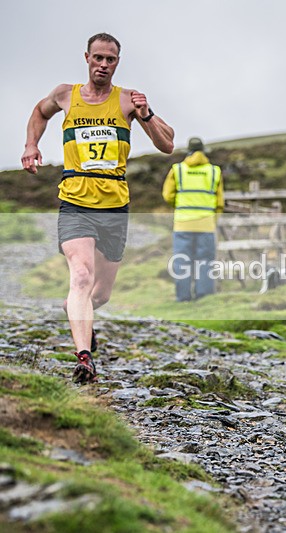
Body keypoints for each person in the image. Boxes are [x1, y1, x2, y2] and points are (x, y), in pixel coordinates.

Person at [21, 33, 174, 383]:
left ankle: (76, 311)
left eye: (111, 60)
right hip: (74, 200)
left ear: (117, 62)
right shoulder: (65, 95)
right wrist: (31, 144)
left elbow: (167, 144)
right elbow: (39, 111)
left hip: (114, 205)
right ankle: (84, 357)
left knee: (100, 294)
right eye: (98, 58)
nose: (103, 65)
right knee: (81, 276)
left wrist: (146, 113)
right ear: (87, 58)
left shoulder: (127, 101)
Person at [162, 137, 224, 302]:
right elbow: (219, 202)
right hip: (206, 224)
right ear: (204, 151)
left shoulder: (177, 170)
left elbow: (167, 195)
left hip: (182, 223)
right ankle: (204, 297)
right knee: (205, 261)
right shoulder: (214, 171)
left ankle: (183, 297)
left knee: (182, 261)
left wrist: (180, 204)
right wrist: (213, 219)